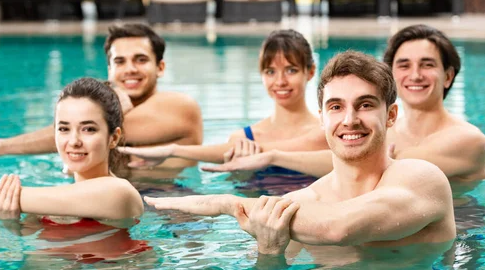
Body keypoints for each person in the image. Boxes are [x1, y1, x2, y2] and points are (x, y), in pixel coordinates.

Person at [144, 51, 456, 257]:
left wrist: (225, 204)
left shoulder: (421, 178)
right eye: (336, 107)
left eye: (365, 104)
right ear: (322, 117)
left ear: (390, 116)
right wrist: (269, 249)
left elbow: (340, 227)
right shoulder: (303, 204)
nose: (350, 120)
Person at [204, 25, 485, 196]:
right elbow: (348, 161)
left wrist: (272, 156)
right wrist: (270, 157)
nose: (414, 75)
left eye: (427, 65)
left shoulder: (467, 139)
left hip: (450, 240)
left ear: (449, 76)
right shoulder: (376, 129)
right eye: (403, 65)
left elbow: (366, 163)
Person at [0, 23, 203, 169]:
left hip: (172, 205)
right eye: (119, 61)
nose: (130, 69)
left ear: (161, 67)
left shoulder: (180, 106)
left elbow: (94, 128)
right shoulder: (110, 103)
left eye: (141, 59)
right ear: (109, 69)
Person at [0, 78, 143, 220]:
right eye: (64, 129)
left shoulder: (118, 193)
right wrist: (8, 225)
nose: (73, 141)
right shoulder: (45, 208)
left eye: (88, 129)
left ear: (113, 138)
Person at [119, 29, 329, 168]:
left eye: (291, 70)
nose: (280, 82)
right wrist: (242, 171)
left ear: (310, 72)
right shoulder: (243, 137)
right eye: (270, 72)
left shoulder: (327, 133)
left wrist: (174, 150)